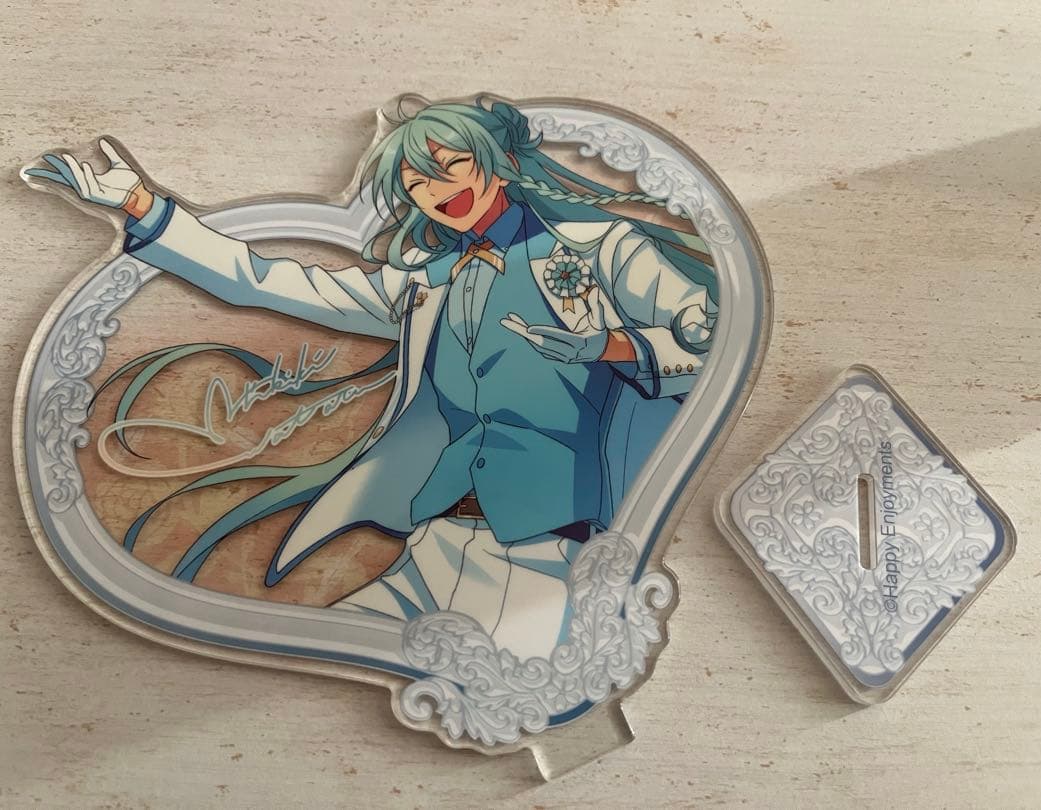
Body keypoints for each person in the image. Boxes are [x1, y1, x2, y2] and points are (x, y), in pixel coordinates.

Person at [25, 100, 717, 659]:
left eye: (450, 167)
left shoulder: (602, 252)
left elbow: (710, 341)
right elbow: (269, 282)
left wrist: (615, 345)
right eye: (417, 184)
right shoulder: (428, 283)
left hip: (549, 550)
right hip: (436, 541)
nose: (436, 192)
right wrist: (143, 207)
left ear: (498, 163)